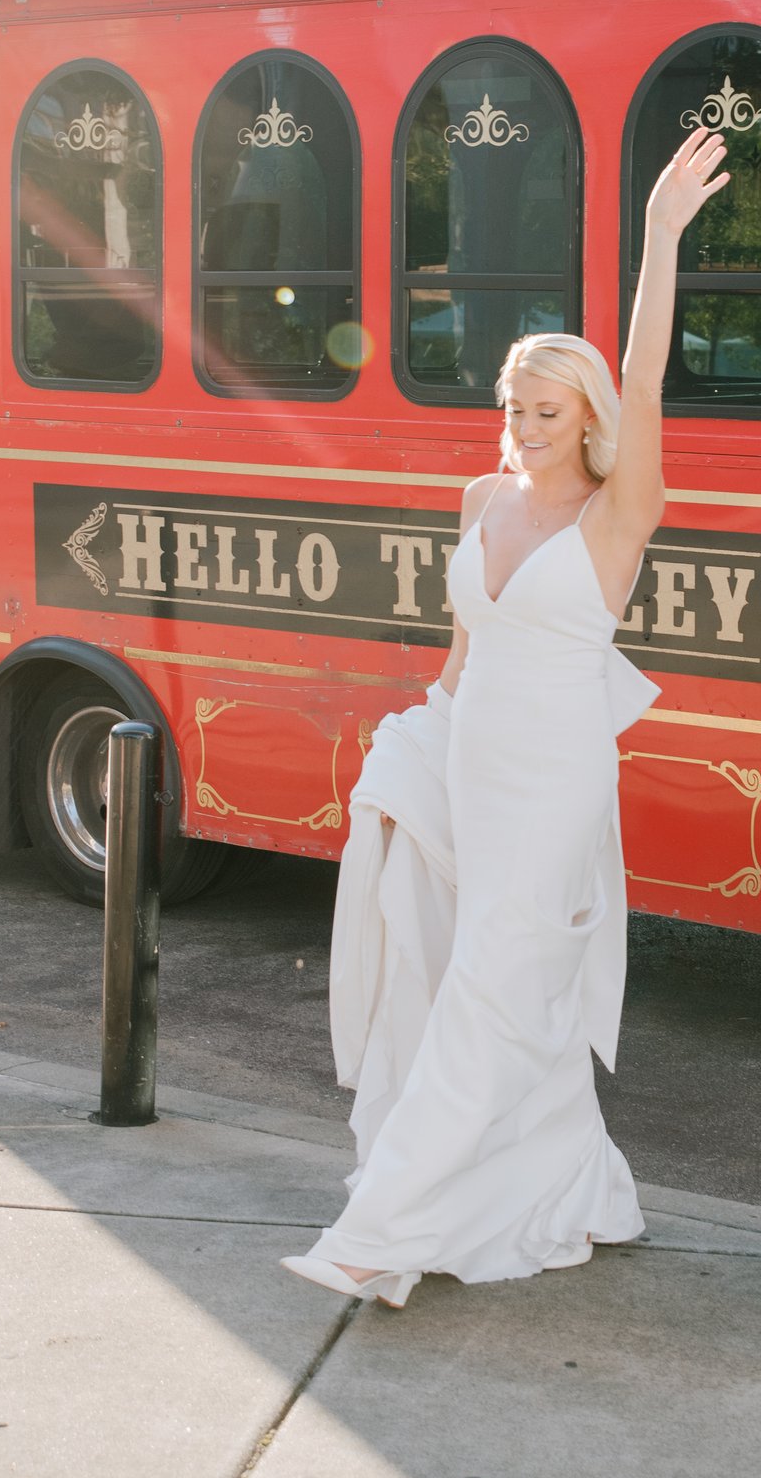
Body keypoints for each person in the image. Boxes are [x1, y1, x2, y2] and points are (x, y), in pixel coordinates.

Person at [282, 126, 731, 1307]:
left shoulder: (619, 513)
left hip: (558, 768)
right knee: (499, 976)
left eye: (545, 408)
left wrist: (658, 239)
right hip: (475, 752)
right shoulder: (480, 495)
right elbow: (460, 650)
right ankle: (575, 1182)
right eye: (513, 405)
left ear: (583, 414)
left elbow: (644, 377)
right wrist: (413, 738)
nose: (524, 425)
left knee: (492, 974)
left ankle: (386, 1224)